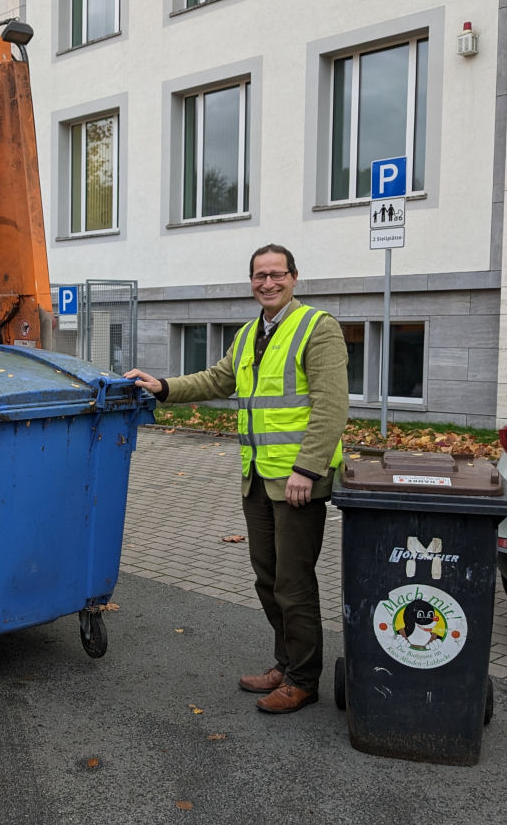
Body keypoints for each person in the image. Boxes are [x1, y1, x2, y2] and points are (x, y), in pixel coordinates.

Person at [126, 244, 349, 715]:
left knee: (294, 583)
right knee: (267, 580)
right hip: (256, 478)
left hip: (297, 482)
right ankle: (286, 664)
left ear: (294, 277)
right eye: (259, 276)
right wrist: (162, 387)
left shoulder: (318, 328)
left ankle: (304, 679)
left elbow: (331, 407)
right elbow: (215, 380)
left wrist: (307, 469)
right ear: (251, 282)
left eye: (276, 274)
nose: (267, 283)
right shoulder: (250, 334)